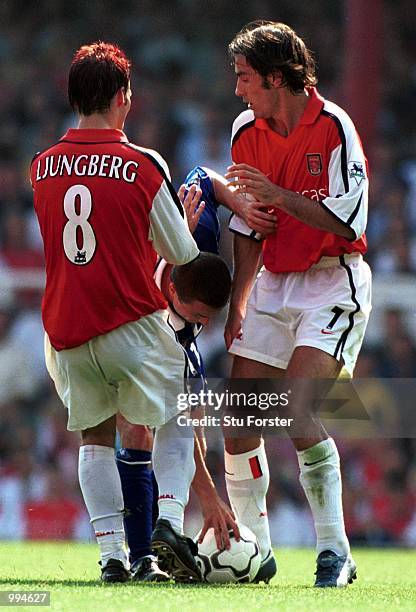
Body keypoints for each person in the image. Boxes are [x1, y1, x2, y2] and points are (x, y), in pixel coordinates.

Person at [31, 42, 204, 583]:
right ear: (122, 98)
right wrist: (184, 221)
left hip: (65, 327)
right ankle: (153, 545)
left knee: (92, 437)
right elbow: (182, 257)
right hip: (130, 321)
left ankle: (111, 557)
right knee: (166, 417)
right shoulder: (142, 164)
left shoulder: (41, 166)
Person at [223, 21, 371, 587]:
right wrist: (238, 299)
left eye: (244, 78)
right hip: (272, 283)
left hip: (332, 280)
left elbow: (347, 219)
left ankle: (335, 551)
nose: (238, 90)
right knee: (238, 420)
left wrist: (276, 197)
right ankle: (253, 553)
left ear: (276, 78)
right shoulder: (245, 130)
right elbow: (246, 222)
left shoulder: (335, 127)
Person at [116, 167, 244, 582]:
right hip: (125, 334)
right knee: (139, 427)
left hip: (161, 321)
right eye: (197, 315)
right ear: (172, 292)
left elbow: (206, 177)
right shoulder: (150, 310)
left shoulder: (195, 233)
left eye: (209, 317)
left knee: (191, 412)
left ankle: (163, 526)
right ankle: (139, 538)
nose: (203, 323)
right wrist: (207, 496)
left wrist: (242, 206)